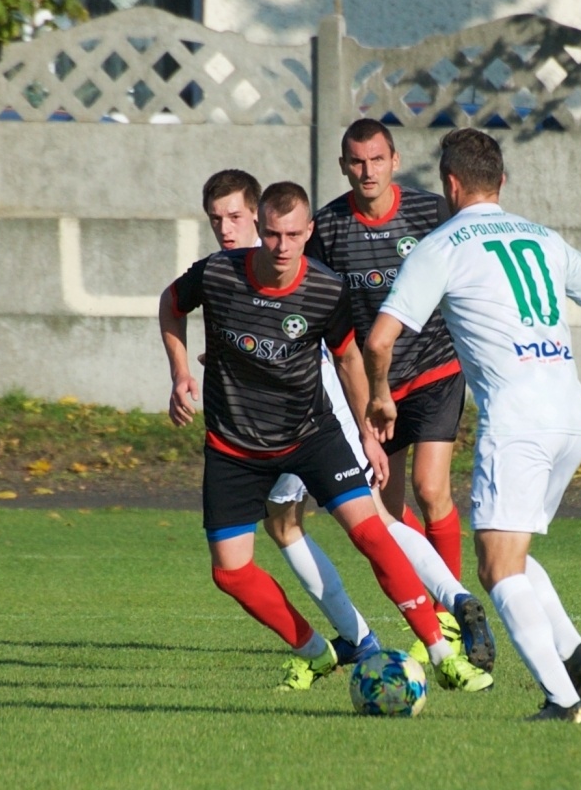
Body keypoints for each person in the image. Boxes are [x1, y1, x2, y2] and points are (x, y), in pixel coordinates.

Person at [160, 179, 494, 693]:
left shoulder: (323, 288)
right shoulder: (217, 275)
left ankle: (442, 649)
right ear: (262, 230)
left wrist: (366, 430)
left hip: (311, 432)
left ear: (307, 232)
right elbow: (172, 303)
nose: (280, 246)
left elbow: (346, 357)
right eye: (272, 235)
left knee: (371, 530)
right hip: (234, 446)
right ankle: (317, 651)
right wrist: (180, 371)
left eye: (292, 234)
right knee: (231, 571)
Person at [364, 129, 581, 723]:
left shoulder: (442, 245)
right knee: (511, 546)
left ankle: (562, 700)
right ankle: (573, 651)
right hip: (571, 415)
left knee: (495, 567)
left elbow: (378, 339)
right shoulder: (542, 237)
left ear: (449, 184)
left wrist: (380, 398)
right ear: (501, 181)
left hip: (518, 421)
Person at [306, 123, 477, 617]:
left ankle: (453, 615)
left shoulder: (432, 212)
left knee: (431, 488)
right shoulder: (329, 227)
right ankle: (432, 601)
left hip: (435, 369)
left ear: (395, 161)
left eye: (376, 160)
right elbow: (307, 298)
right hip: (373, 385)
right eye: (357, 162)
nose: (367, 171)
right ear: (343, 166)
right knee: (385, 513)